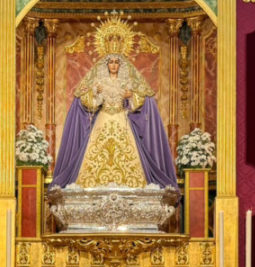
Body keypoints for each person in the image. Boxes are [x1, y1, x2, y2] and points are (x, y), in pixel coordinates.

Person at [50, 52, 177, 189]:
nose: (114, 65)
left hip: (122, 119)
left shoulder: (126, 82)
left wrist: (131, 96)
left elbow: (142, 98)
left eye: (117, 62)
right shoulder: (99, 82)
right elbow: (87, 101)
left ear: (120, 65)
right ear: (107, 65)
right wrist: (94, 93)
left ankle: (132, 185)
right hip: (102, 119)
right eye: (111, 62)